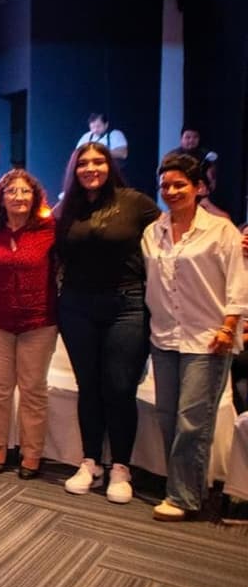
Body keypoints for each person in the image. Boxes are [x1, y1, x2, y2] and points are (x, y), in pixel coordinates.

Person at [142, 153, 247, 521]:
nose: (171, 191)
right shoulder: (152, 232)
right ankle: (189, 485)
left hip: (208, 338)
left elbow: (238, 282)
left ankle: (184, 497)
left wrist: (229, 327)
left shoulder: (221, 231)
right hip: (166, 337)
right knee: (169, 416)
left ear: (198, 187)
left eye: (179, 184)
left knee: (192, 420)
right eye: (165, 185)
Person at [55, 142, 158, 503]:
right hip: (76, 307)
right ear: (74, 169)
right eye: (83, 163)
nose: (91, 168)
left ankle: (121, 467)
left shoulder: (136, 202)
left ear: (109, 165)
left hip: (126, 305)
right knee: (90, 387)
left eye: (98, 162)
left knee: (118, 386)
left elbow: (173, 238)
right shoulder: (67, 208)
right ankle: (90, 462)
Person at [0, 169, 58, 479]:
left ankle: (31, 452)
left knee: (33, 390)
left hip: (38, 320)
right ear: (1, 197)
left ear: (35, 196)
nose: (19, 197)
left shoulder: (49, 228)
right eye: (12, 191)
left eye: (25, 191)